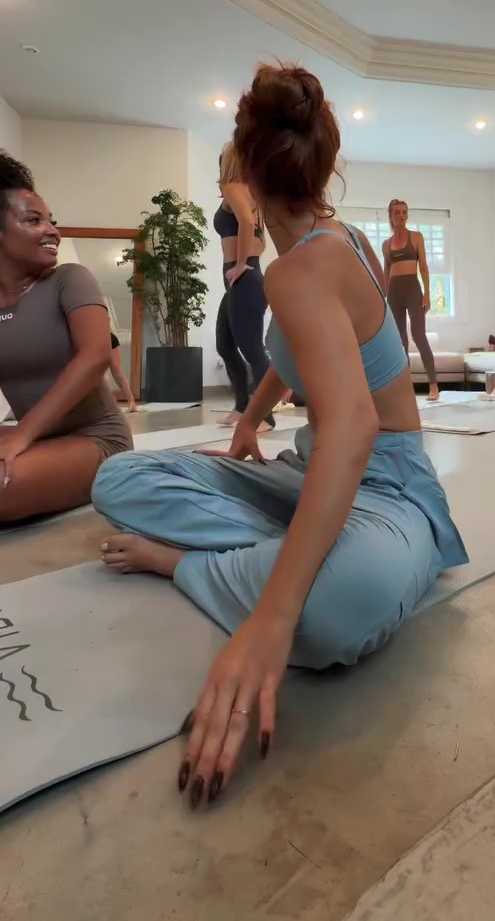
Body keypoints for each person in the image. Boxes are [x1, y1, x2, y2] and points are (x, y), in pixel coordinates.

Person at [93, 64, 467, 808]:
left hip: (390, 486)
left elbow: (355, 425)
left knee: (334, 609)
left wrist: (270, 621)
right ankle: (303, 545)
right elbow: (291, 354)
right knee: (119, 476)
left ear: (244, 182)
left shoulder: (308, 268)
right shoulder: (334, 244)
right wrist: (246, 422)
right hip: (310, 469)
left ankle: (192, 564)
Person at [0, 151, 132, 523]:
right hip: (35, 440)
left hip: (96, 440)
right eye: (34, 220)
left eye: (51, 221)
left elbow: (96, 356)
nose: (53, 231)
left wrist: (21, 435)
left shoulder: (70, 280)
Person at [214, 141, 274, 431]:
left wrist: (239, 264)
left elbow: (248, 224)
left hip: (244, 277)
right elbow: (261, 240)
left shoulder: (232, 187)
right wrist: (246, 262)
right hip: (247, 276)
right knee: (224, 344)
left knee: (252, 349)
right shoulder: (253, 193)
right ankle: (242, 406)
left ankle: (265, 416)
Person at [383, 200, 439, 402]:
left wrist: (427, 293)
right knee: (400, 341)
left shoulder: (416, 237)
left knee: (418, 335)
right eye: (397, 212)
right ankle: (406, 387)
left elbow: (423, 266)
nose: (401, 215)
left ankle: (433, 385)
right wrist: (384, 297)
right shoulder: (386, 244)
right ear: (391, 216)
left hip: (413, 290)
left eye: (404, 212)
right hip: (394, 293)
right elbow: (386, 271)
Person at [109, 332, 137, 412]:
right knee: (118, 372)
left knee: (118, 372)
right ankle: (131, 402)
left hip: (107, 338)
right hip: (106, 337)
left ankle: (131, 402)